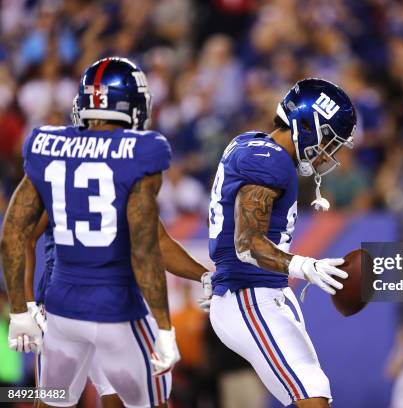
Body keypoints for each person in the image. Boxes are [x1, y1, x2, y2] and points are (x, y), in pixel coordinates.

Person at [0, 57, 184, 407]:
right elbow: (145, 250)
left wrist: (20, 311)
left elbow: (12, 236)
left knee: (51, 401)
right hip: (115, 308)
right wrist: (164, 327)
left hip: (61, 310)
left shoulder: (47, 146)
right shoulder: (140, 153)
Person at [202, 78, 356, 408]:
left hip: (262, 292)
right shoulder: (269, 160)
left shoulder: (251, 144)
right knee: (312, 395)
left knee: (314, 391)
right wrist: (303, 265)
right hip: (248, 295)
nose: (331, 152)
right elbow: (247, 243)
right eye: (330, 140)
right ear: (311, 128)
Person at [24, 209, 208, 407]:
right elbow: (20, 238)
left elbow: (20, 238)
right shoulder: (123, 185)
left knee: (63, 398)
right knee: (144, 400)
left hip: (74, 308)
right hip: (99, 307)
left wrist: (206, 277)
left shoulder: (56, 183)